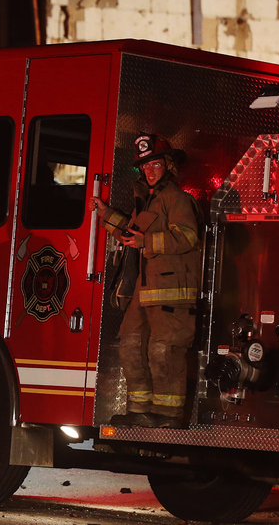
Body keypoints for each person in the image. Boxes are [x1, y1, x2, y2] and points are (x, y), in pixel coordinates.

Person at [92, 134, 202, 429]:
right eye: (145, 166)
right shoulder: (149, 200)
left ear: (168, 165)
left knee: (163, 350)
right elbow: (133, 234)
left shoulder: (176, 198)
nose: (150, 171)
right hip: (146, 289)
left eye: (155, 164)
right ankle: (139, 409)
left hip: (172, 292)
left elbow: (188, 237)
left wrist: (147, 241)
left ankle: (168, 416)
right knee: (130, 344)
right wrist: (107, 216)